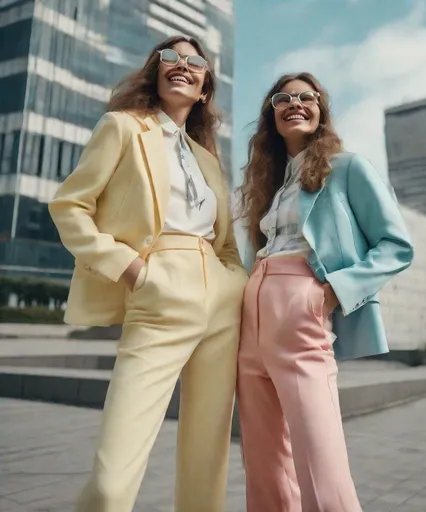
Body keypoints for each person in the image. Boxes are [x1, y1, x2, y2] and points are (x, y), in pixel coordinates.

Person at [49, 35, 247, 512]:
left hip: (221, 301)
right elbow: (70, 206)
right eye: (170, 58)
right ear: (155, 71)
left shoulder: (207, 159)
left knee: (207, 461)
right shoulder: (121, 127)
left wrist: (234, 281)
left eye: (195, 61)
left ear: (204, 89)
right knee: (113, 480)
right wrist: (131, 268)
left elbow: (226, 242)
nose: (182, 65)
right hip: (158, 288)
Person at [236, 72, 414, 512]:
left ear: (320, 108)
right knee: (264, 463)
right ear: (270, 116)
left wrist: (333, 291)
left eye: (305, 97)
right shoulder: (271, 183)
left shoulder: (348, 167)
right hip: (251, 315)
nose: (293, 103)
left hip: (303, 307)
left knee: (319, 460)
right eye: (282, 98)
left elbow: (396, 245)